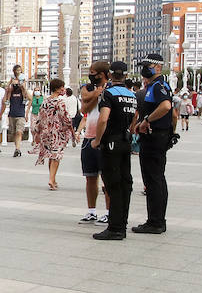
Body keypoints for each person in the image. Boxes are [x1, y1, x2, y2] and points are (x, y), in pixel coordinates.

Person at [92, 60, 137, 240]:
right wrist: (130, 130)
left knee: (113, 184)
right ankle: (122, 224)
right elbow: (135, 116)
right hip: (125, 142)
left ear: (110, 74)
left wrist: (97, 140)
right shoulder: (131, 94)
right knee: (126, 184)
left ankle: (115, 228)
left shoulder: (108, 94)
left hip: (111, 142)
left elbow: (103, 119)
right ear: (126, 75)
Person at [131, 52, 174, 235]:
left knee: (153, 179)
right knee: (157, 178)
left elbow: (166, 107)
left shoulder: (158, 86)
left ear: (158, 67)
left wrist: (146, 120)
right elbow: (173, 115)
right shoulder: (157, 86)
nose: (144, 69)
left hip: (154, 137)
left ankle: (155, 222)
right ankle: (157, 219)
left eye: (147, 65)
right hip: (158, 136)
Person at [77, 61, 109, 224]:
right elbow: (84, 107)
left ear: (102, 74)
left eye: (93, 72)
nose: (90, 74)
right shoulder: (88, 87)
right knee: (90, 177)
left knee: (107, 177)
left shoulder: (111, 89)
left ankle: (109, 212)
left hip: (104, 138)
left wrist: (98, 94)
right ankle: (91, 211)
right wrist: (96, 95)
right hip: (88, 137)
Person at [30, 78, 75, 190]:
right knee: (56, 155)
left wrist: (37, 133)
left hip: (46, 132)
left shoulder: (45, 101)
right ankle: (51, 179)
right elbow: (66, 118)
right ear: (57, 89)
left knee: (51, 155)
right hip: (57, 132)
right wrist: (72, 132)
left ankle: (53, 179)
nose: (63, 89)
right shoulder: (60, 102)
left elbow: (40, 118)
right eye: (62, 87)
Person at [3, 65, 29, 157]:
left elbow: (29, 97)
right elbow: (7, 92)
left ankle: (17, 149)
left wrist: (23, 88)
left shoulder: (22, 87)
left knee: (19, 132)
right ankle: (17, 148)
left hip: (20, 114)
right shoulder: (11, 89)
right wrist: (7, 89)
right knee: (14, 133)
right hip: (12, 113)